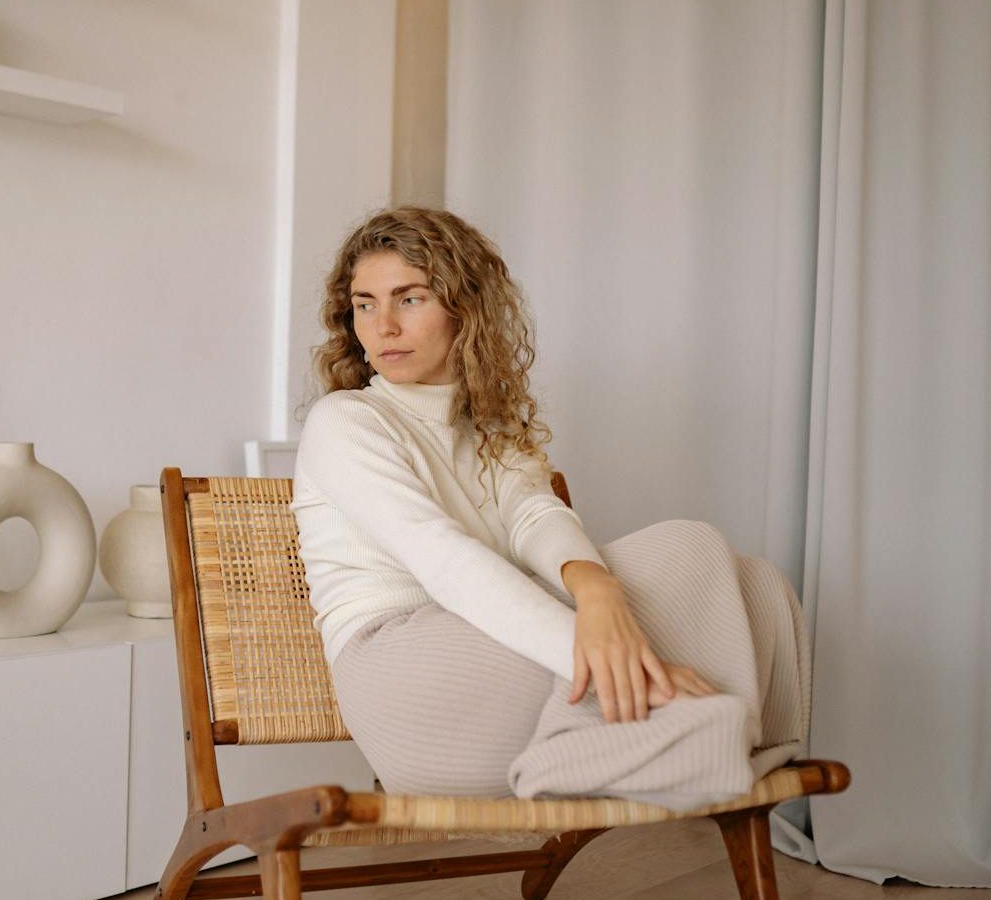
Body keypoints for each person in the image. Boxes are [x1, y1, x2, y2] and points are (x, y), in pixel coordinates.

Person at [290, 207, 809, 811]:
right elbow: (445, 562)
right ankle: (645, 738)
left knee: (756, 579)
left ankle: (709, 740)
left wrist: (598, 591)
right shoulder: (347, 421)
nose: (383, 325)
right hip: (406, 681)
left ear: (465, 308)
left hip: (488, 648)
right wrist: (612, 654)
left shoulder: (490, 425)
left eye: (410, 299)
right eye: (365, 303)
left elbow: (537, 515)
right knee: (685, 547)